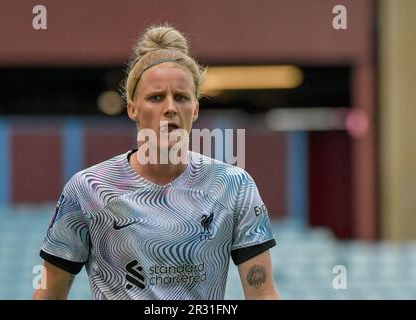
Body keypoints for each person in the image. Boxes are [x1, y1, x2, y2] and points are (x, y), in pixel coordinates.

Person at [33, 24, 279, 300]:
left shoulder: (234, 186)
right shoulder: (87, 187)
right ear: (132, 108)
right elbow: (48, 293)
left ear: (195, 108)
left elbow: (262, 294)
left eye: (182, 97)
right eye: (156, 97)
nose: (171, 107)